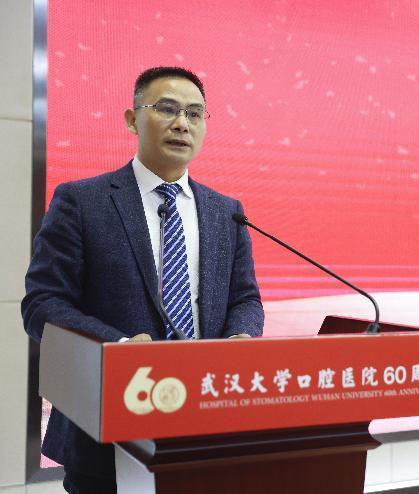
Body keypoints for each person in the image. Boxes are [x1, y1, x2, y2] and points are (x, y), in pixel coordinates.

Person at [21, 66, 264, 493]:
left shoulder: (227, 212)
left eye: (194, 113)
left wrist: (241, 337)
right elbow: (43, 304)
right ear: (132, 120)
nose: (182, 123)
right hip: (106, 428)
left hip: (204, 421)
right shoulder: (82, 201)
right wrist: (118, 348)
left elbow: (245, 298)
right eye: (167, 109)